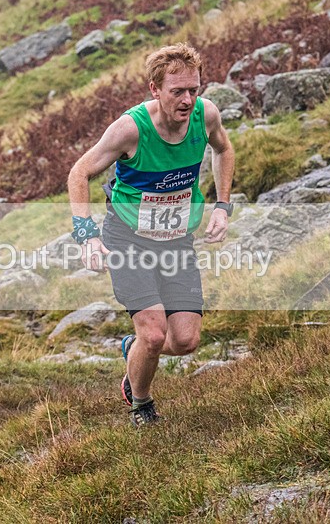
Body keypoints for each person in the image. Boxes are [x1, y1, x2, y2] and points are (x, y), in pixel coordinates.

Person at [67, 43, 235, 427]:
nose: (188, 99)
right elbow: (80, 172)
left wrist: (223, 206)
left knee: (186, 341)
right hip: (128, 239)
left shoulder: (205, 115)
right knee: (155, 335)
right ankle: (141, 404)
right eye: (177, 91)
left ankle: (134, 349)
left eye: (193, 89)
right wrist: (86, 234)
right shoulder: (130, 129)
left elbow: (224, 150)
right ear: (155, 90)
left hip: (176, 240)